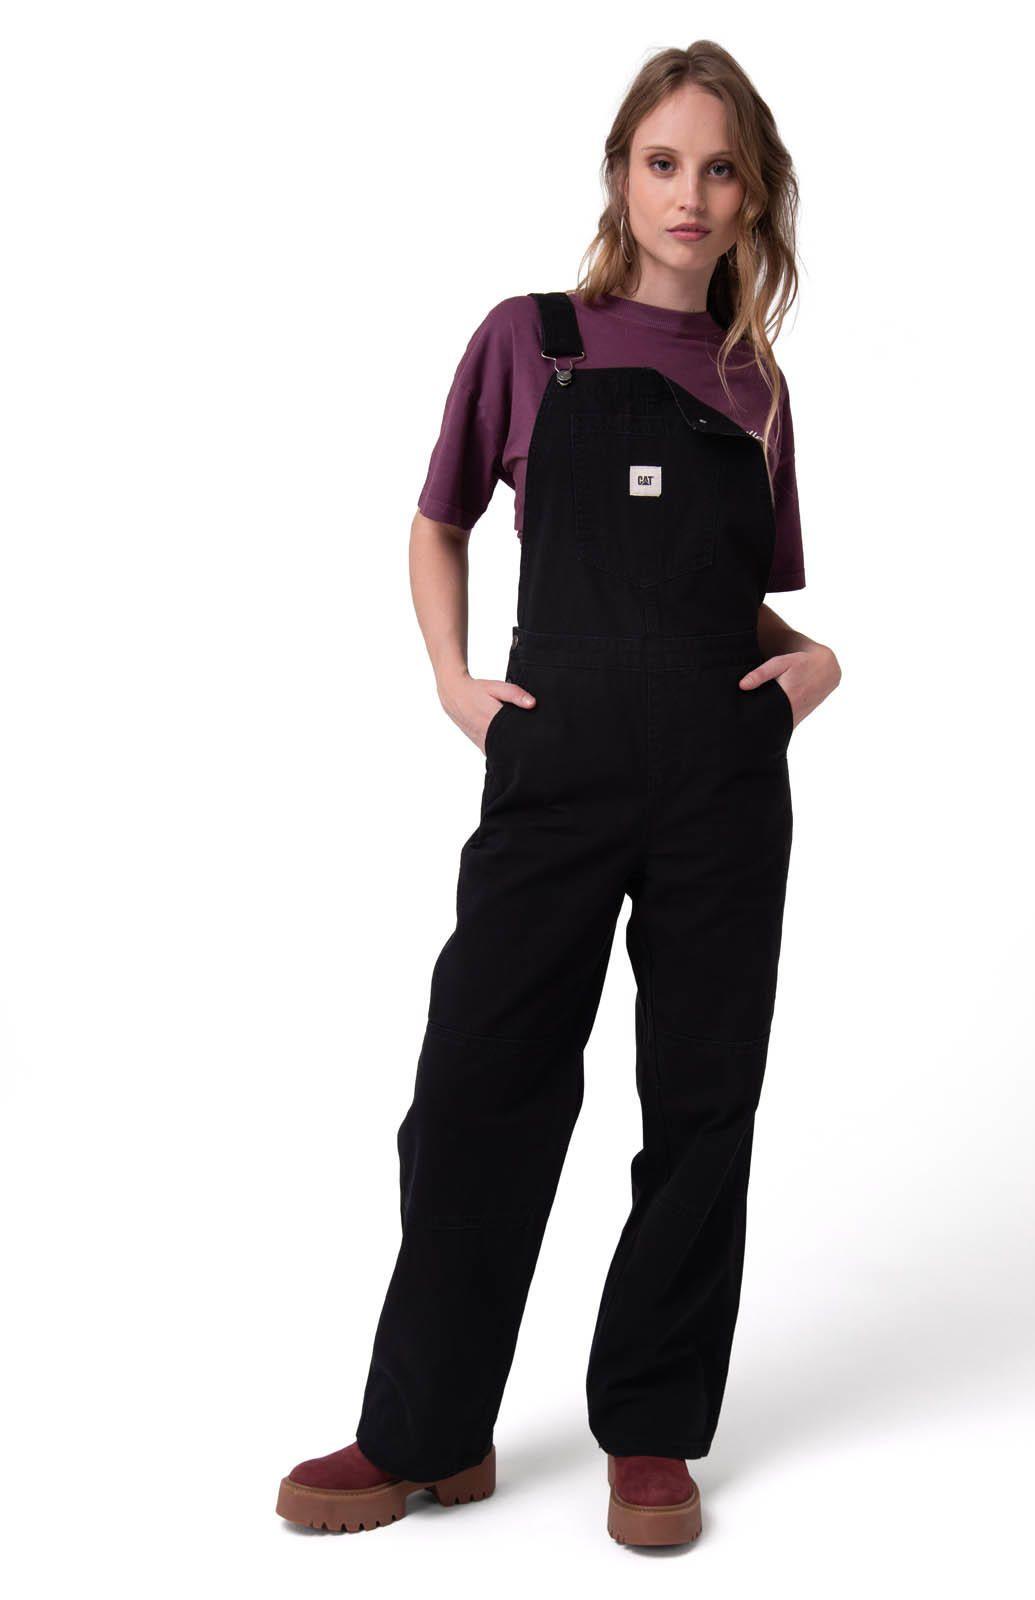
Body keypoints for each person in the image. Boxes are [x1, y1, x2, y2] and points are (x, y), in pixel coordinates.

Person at [275, 38, 841, 1548]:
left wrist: (814, 663)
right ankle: (426, 1432)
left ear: (755, 196)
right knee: (477, 1088)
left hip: (721, 780)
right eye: (664, 162)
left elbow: (732, 601)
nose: (690, 193)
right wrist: (453, 680)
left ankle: (653, 1432)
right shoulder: (532, 340)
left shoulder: (756, 385)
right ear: (621, 176)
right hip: (558, 769)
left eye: (721, 169)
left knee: (700, 1104)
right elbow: (438, 519)